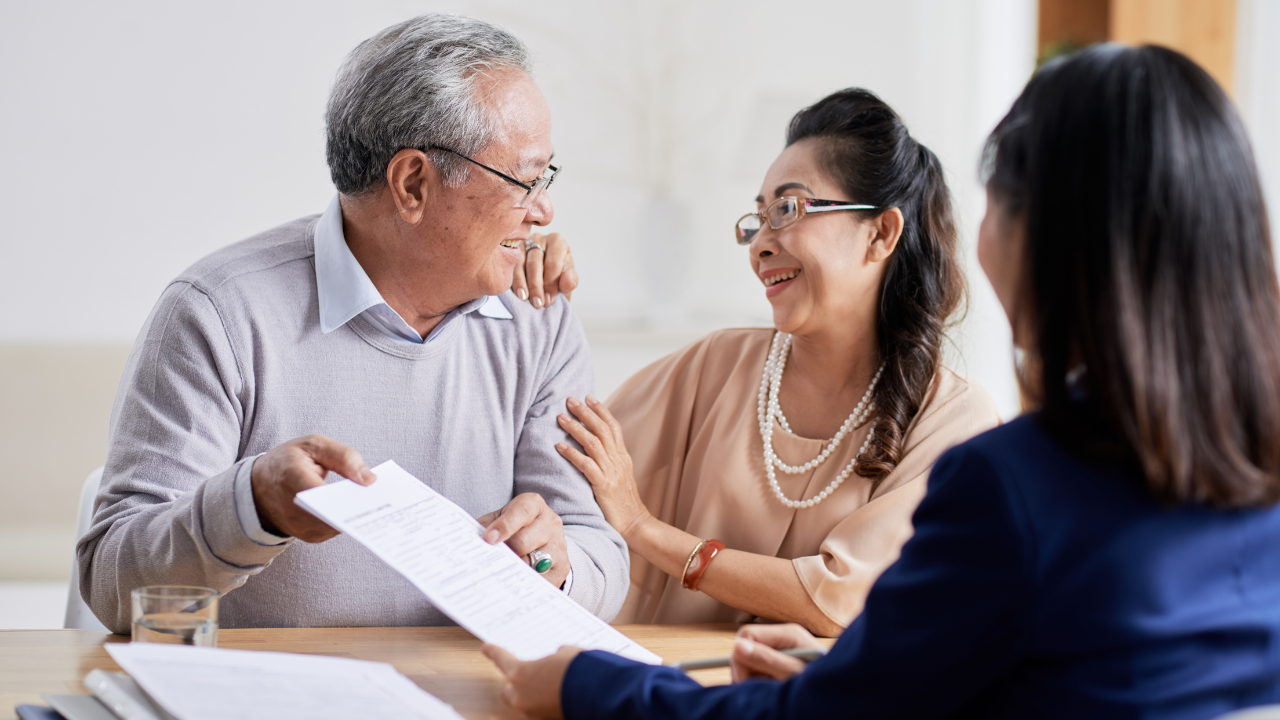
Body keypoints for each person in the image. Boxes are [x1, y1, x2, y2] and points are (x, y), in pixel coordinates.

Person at [484, 44, 1280, 719]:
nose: (763, 241)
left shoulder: (1006, 484)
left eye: (995, 200)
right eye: (758, 216)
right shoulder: (1257, 485)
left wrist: (587, 684)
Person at [76, 14, 629, 633]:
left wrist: (556, 567)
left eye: (546, 177)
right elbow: (111, 585)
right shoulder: (218, 312)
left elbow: (599, 554)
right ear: (413, 183)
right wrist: (252, 506)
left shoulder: (539, 319)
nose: (545, 210)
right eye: (524, 180)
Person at [532, 89, 1001, 636]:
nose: (760, 244)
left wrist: (642, 527)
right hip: (662, 691)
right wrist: (527, 287)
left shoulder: (955, 421)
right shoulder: (716, 365)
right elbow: (553, 452)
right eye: (758, 217)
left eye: (788, 209)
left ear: (881, 233)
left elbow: (838, 599)